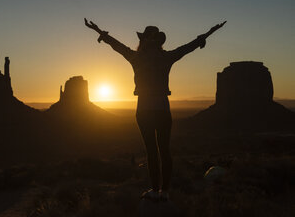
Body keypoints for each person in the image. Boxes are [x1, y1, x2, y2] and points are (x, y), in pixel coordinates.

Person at [85, 18, 226, 201]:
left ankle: (155, 191)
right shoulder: (165, 57)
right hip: (161, 110)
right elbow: (188, 47)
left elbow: (116, 45)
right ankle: (164, 192)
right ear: (157, 41)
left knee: (152, 152)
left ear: (144, 41)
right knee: (164, 151)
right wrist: (208, 33)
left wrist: (98, 31)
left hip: (144, 110)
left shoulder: (136, 57)